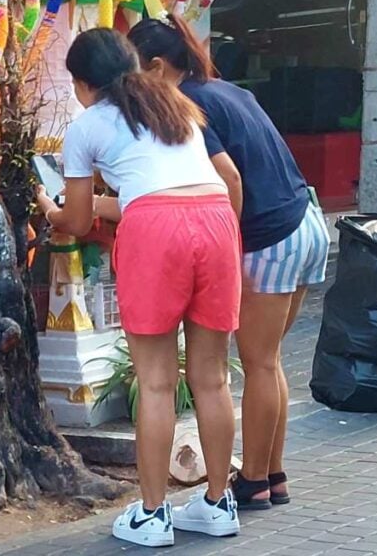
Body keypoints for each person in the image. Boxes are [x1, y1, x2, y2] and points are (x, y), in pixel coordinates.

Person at [35, 28, 241, 547]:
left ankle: (152, 516)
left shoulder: (87, 126)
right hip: (216, 220)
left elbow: (79, 222)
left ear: (83, 84)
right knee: (212, 378)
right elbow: (161, 184)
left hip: (156, 232)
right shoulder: (174, 105)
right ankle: (219, 503)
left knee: (155, 382)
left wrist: (47, 207)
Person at [128, 15, 331, 511]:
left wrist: (226, 247)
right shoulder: (227, 90)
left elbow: (229, 178)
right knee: (269, 361)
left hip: (267, 236)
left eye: (131, 73)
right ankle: (271, 475)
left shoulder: (189, 104)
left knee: (259, 363)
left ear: (155, 67)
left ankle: (254, 481)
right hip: (306, 222)